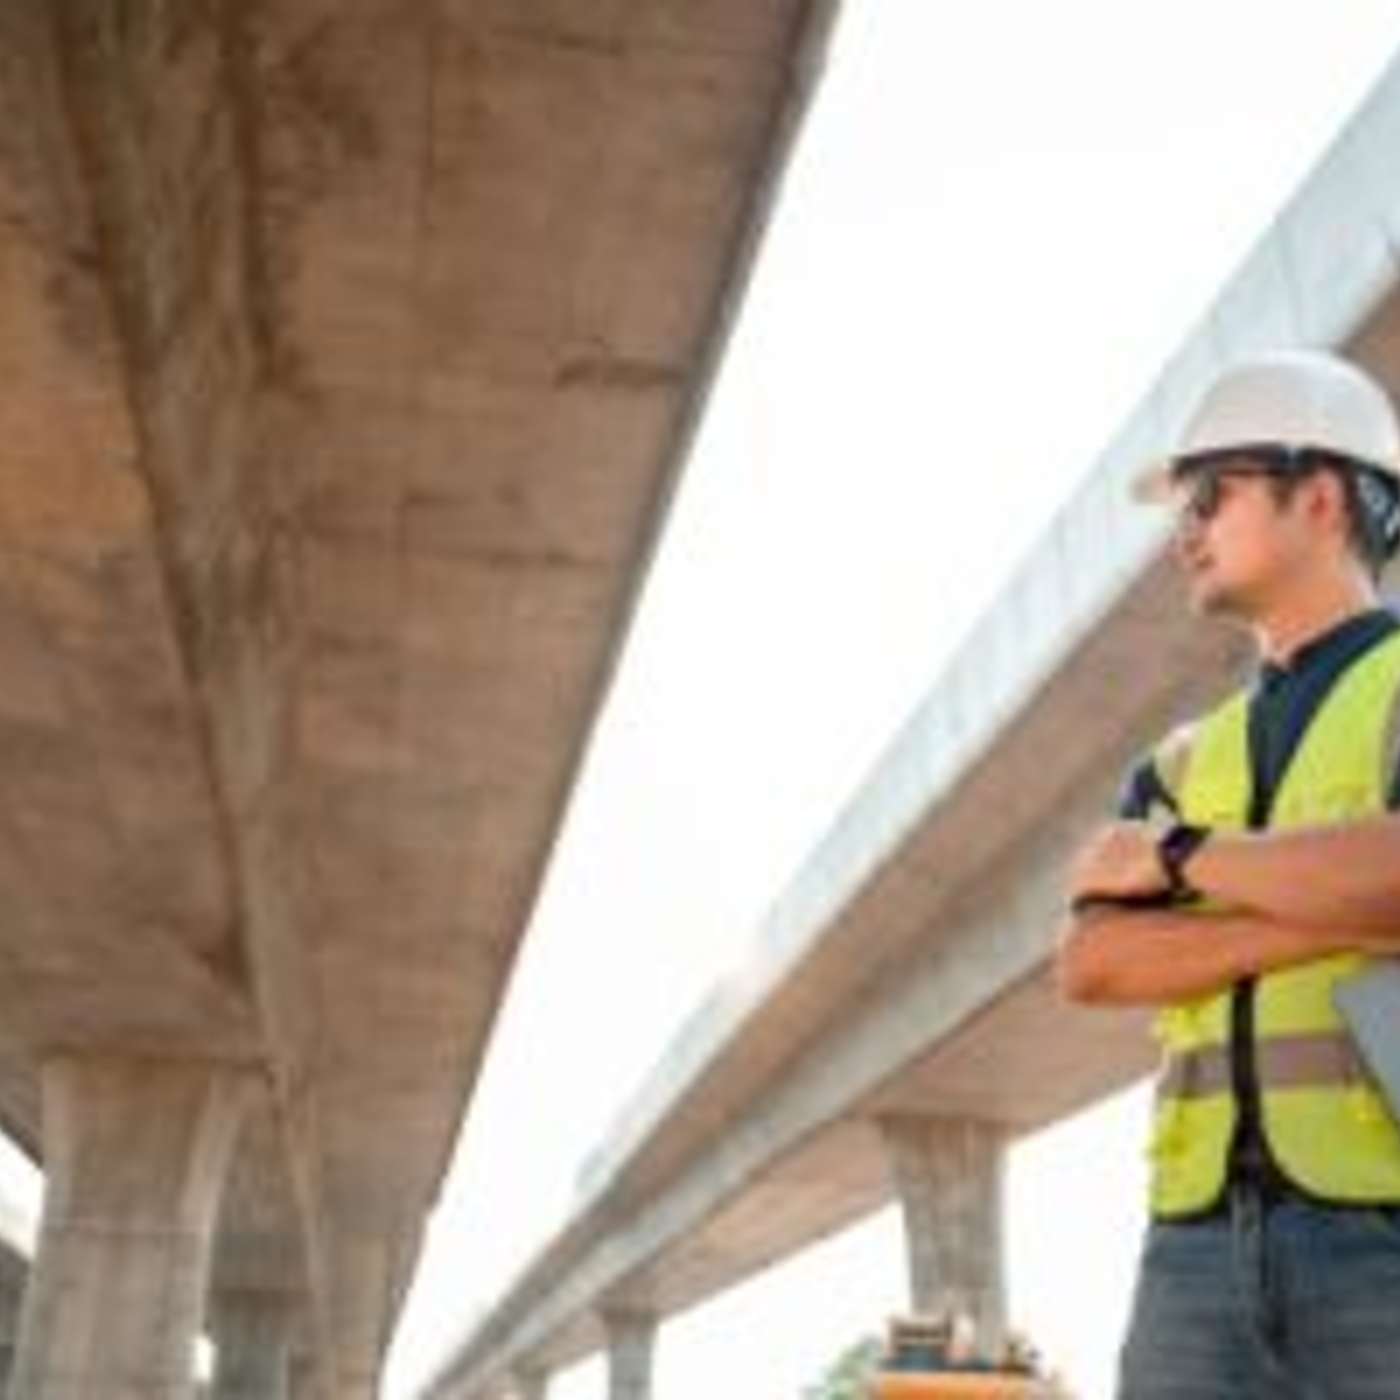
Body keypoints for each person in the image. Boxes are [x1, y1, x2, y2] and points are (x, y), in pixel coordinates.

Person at [1056, 347, 1400, 1399]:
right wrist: (1330, 913)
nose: (1185, 529)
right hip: (1191, 1247)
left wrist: (1181, 858)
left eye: (1211, 493)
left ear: (1320, 497)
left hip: (1380, 1229)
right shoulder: (1180, 759)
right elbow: (1093, 962)